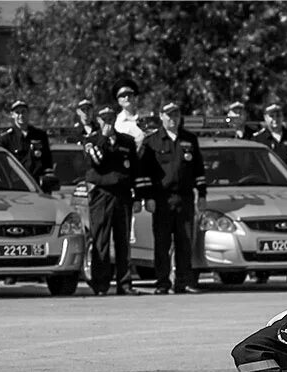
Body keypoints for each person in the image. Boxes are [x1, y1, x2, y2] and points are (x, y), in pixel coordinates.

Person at [137, 102, 206, 295]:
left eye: (176, 114)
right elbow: (143, 172)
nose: (172, 118)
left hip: (184, 199)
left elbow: (198, 170)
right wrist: (147, 197)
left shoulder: (190, 140)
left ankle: (182, 282)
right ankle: (162, 282)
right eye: (168, 115)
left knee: (185, 242)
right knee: (162, 244)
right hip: (161, 199)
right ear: (161, 116)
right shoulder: (152, 141)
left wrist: (202, 194)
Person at [84, 105, 141, 296]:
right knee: (101, 239)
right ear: (98, 121)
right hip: (102, 194)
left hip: (123, 194)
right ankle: (100, 284)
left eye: (110, 118)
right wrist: (104, 140)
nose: (107, 122)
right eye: (103, 119)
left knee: (123, 240)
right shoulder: (92, 140)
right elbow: (97, 162)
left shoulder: (127, 141)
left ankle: (125, 284)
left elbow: (134, 171)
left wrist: (137, 197)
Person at [0, 100, 55, 185]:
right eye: (17, 112)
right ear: (12, 115)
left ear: (28, 113)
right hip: (16, 185)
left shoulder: (40, 135)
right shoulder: (5, 139)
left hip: (38, 183)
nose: (21, 115)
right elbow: (2, 166)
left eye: (23, 112)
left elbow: (47, 161)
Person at [253, 103, 287, 182]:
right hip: (268, 184)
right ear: (265, 118)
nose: (275, 119)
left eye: (278, 116)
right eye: (271, 116)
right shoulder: (258, 139)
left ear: (282, 117)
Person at [113, 79, 146, 151]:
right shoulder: (116, 123)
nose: (127, 98)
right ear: (118, 101)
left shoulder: (146, 117)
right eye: (122, 95)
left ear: (135, 97)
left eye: (129, 94)